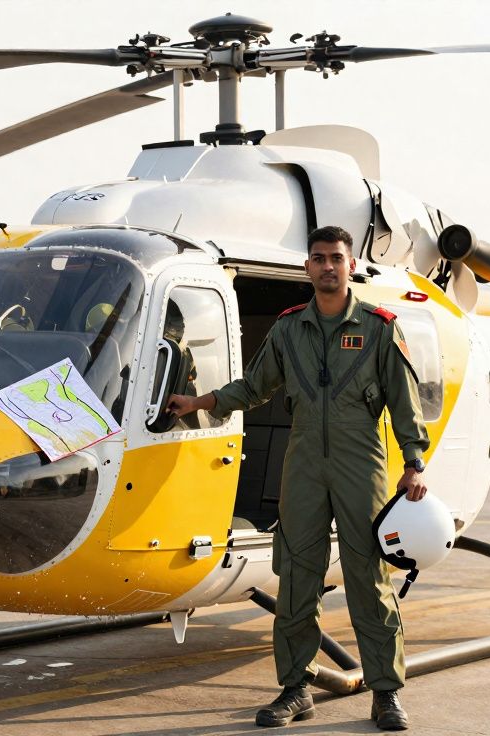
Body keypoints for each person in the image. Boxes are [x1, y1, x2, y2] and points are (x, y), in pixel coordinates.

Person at [166, 225, 430, 731]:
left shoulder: (379, 327)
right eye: (318, 258)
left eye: (336, 258)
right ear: (307, 267)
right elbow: (255, 386)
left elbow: (404, 400)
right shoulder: (289, 329)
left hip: (362, 463)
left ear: (351, 265)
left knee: (368, 580)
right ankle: (294, 689)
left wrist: (414, 463)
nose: (327, 266)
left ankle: (386, 693)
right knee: (295, 580)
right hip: (304, 462)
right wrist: (201, 403)